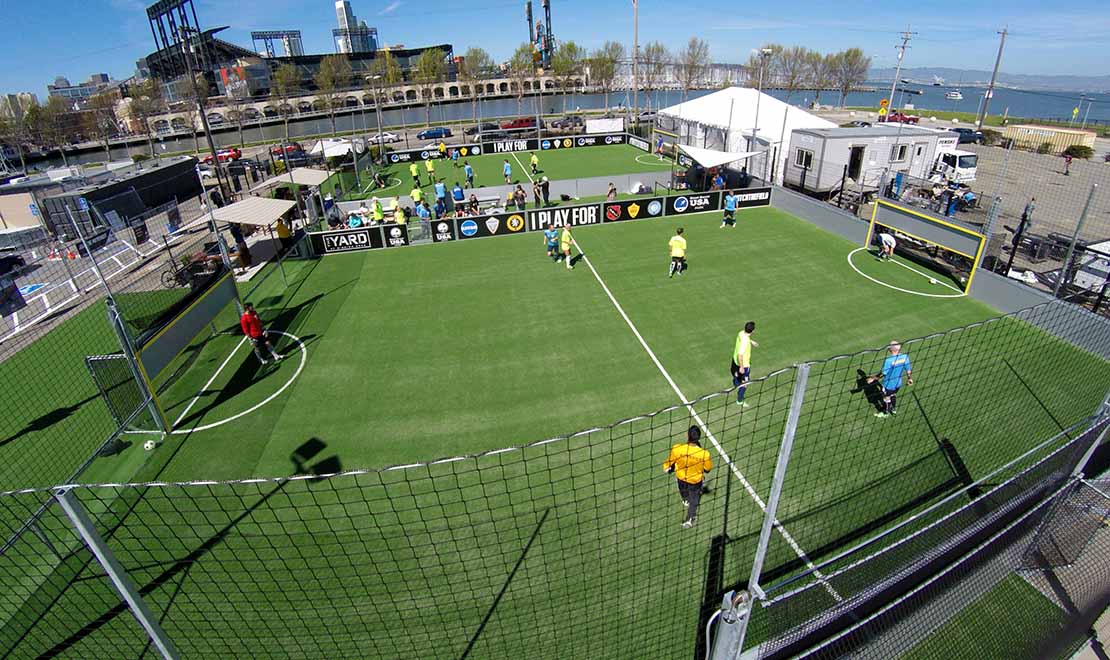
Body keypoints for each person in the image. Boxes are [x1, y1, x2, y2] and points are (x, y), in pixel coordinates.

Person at [663, 425, 713, 528]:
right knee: (694, 499)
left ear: (688, 436)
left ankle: (686, 499)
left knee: (683, 491)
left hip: (681, 478)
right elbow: (707, 469)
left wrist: (668, 468)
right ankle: (690, 518)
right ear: (698, 438)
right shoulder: (704, 454)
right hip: (695, 481)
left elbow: (667, 466)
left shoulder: (677, 449)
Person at [867, 342, 913, 418]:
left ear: (890, 349)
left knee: (886, 398)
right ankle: (893, 409)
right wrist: (909, 378)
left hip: (888, 384)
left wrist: (872, 378)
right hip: (898, 384)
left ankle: (886, 413)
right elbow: (908, 370)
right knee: (893, 394)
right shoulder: (905, 357)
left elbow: (883, 374)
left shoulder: (889, 360)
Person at [731, 321, 758, 406]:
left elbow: (745, 338)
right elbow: (740, 355)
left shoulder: (741, 333)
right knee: (745, 384)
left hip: (734, 361)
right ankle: (739, 401)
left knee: (736, 376)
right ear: (753, 331)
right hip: (744, 365)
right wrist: (742, 367)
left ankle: (736, 381)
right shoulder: (745, 342)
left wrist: (751, 341)